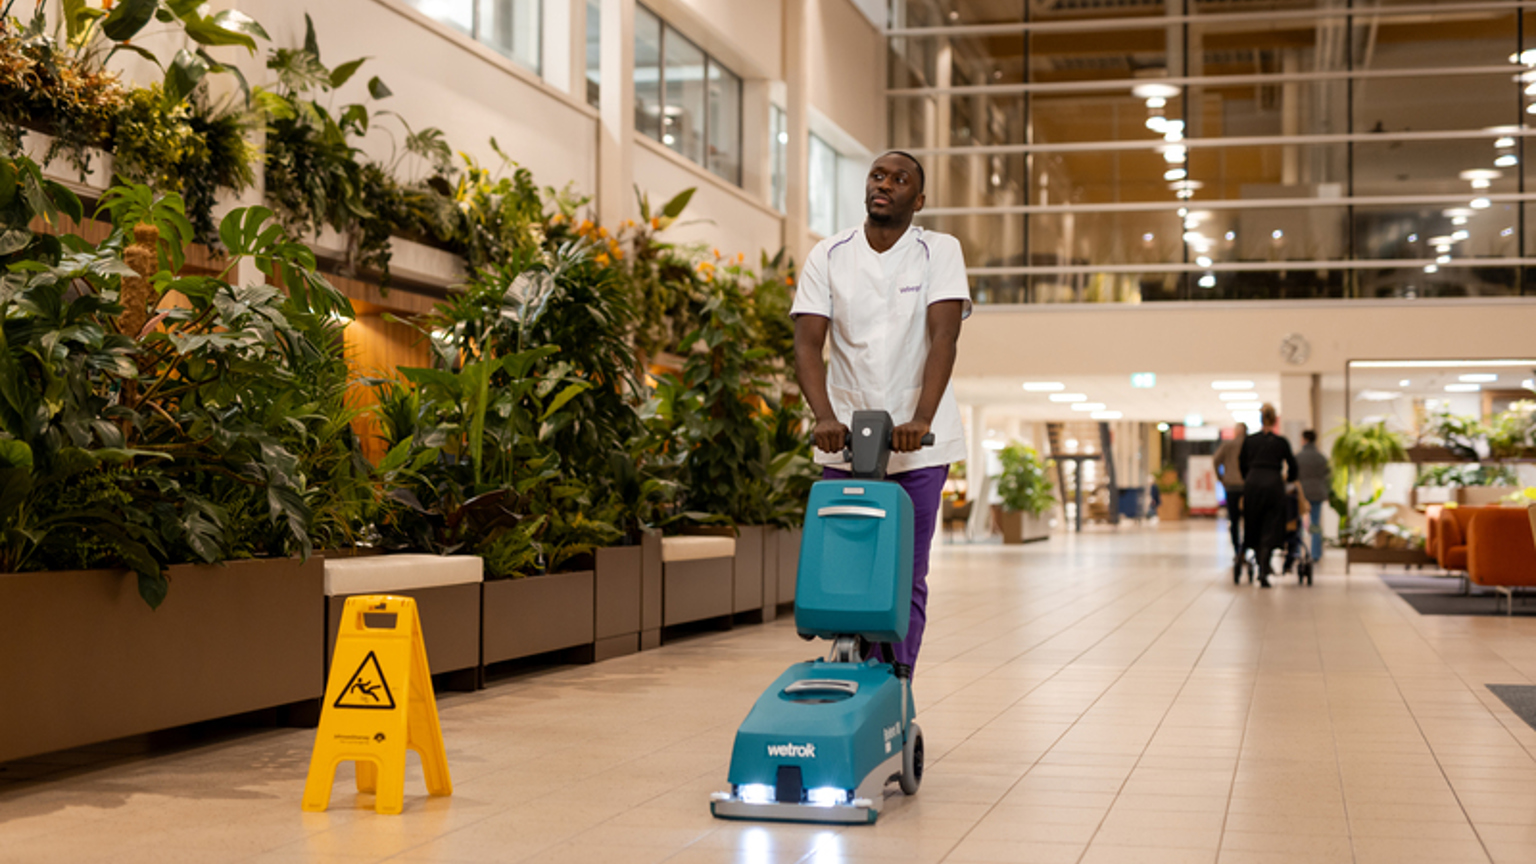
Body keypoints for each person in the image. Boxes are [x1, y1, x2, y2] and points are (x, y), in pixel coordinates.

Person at [791, 151, 971, 674]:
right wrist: (825, 417)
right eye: (877, 176)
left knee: (905, 574)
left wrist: (921, 419)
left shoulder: (939, 250)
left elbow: (945, 336)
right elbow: (808, 345)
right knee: (845, 568)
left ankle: (896, 681)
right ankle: (850, 671)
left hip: (919, 447)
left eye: (899, 179)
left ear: (918, 199)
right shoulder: (829, 254)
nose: (884, 184)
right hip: (847, 443)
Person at [1239, 404, 1299, 588]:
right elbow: (1293, 466)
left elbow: (1242, 464)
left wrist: (1249, 478)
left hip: (1253, 484)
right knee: (1272, 524)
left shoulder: (1250, 441)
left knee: (1253, 522)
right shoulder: (1281, 442)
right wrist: (1288, 479)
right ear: (1274, 420)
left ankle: (1259, 560)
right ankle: (1266, 563)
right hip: (1273, 484)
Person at [1211, 424, 1246, 568]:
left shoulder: (1227, 445)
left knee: (1234, 519)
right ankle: (1245, 549)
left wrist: (1221, 478)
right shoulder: (1250, 446)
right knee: (1249, 519)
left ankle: (1237, 550)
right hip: (1246, 487)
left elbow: (1215, 460)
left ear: (1236, 432)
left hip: (1231, 486)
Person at [1296, 429, 1332, 562]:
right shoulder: (1321, 457)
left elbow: (1293, 476)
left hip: (1302, 494)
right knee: (1315, 523)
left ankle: (1297, 551)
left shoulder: (1298, 457)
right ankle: (1316, 554)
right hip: (1317, 493)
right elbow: (1327, 475)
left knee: (1298, 522)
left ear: (1304, 439)